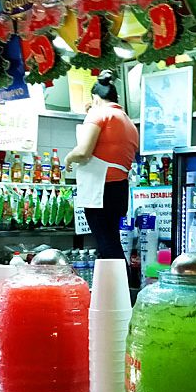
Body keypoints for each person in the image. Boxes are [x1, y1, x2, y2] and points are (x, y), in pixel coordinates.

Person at [65, 71, 139, 260]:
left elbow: (83, 151)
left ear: (96, 98)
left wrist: (69, 158)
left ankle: (118, 280)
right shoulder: (128, 122)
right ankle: (121, 278)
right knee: (112, 242)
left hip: (100, 189)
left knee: (106, 245)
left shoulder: (99, 114)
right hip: (119, 190)